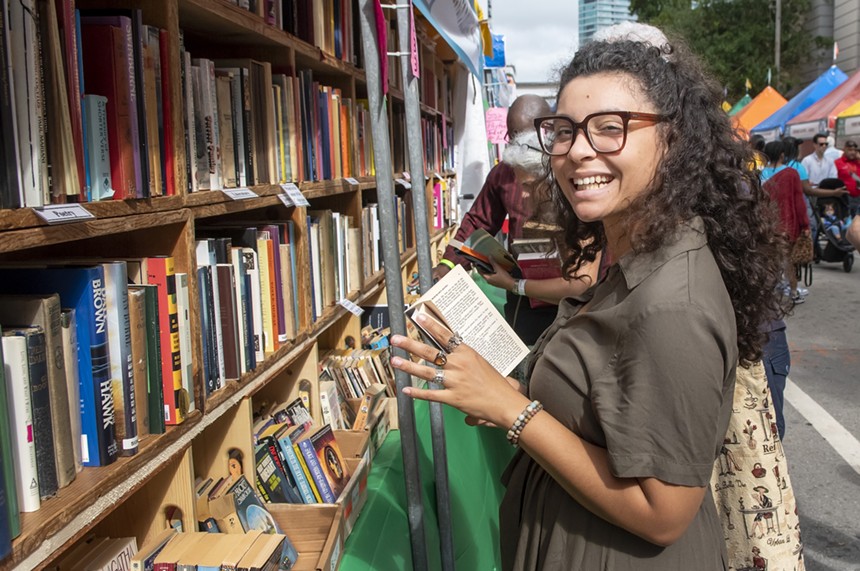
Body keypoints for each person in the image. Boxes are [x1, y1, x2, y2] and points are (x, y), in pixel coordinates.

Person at [390, 23, 784, 569]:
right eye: (565, 130)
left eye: (610, 128)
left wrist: (512, 410)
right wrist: (496, 392)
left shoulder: (672, 302)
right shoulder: (631, 255)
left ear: (673, 139)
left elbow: (663, 512)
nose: (578, 151)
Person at [433, 94, 556, 345]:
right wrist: (448, 264)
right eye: (511, 138)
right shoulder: (503, 173)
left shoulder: (569, 166)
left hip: (569, 292)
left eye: (523, 139)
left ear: (547, 131)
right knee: (525, 361)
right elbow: (478, 221)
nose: (516, 147)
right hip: (522, 293)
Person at [480, 129, 601, 305]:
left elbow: (580, 285)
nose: (523, 195)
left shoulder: (580, 214)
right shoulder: (546, 212)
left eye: (529, 186)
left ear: (550, 181)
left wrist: (514, 285)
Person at [761, 140, 810, 304]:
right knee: (789, 260)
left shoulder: (759, 174)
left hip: (765, 225)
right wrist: (805, 225)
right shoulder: (791, 173)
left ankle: (768, 293)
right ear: (782, 154)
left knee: (768, 259)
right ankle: (794, 292)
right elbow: (799, 202)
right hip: (786, 225)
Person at [835, 139, 860, 217]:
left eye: (854, 150)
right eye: (849, 150)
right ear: (844, 150)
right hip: (845, 198)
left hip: (858, 197)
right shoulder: (837, 163)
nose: (852, 152)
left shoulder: (858, 162)